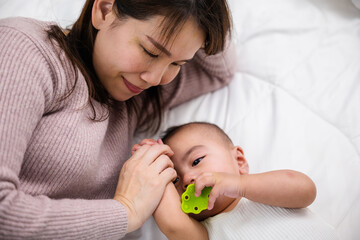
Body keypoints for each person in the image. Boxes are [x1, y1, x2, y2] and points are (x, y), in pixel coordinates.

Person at [0, 0, 236, 238]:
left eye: (177, 63)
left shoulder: (135, 98)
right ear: (104, 10)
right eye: (150, 51)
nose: (155, 78)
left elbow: (218, 68)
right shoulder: (23, 49)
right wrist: (126, 211)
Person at [131, 122, 339, 239]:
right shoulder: (203, 234)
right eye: (175, 179)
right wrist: (152, 163)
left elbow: (306, 190)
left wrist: (238, 185)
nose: (187, 178)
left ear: (239, 160)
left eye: (197, 161)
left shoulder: (263, 193)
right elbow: (172, 225)